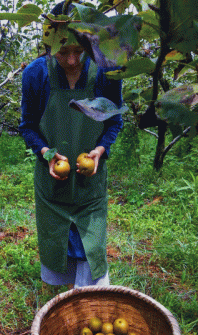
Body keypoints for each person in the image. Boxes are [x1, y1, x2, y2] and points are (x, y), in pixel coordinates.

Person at [19, 2, 123, 288]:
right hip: (53, 183)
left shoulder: (105, 72)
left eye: (79, 51)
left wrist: (100, 150)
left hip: (90, 184)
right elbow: (27, 126)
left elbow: (114, 121)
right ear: (51, 45)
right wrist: (46, 153)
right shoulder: (36, 74)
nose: (73, 60)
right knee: (58, 243)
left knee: (91, 244)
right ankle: (65, 300)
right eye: (64, 52)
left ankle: (87, 300)